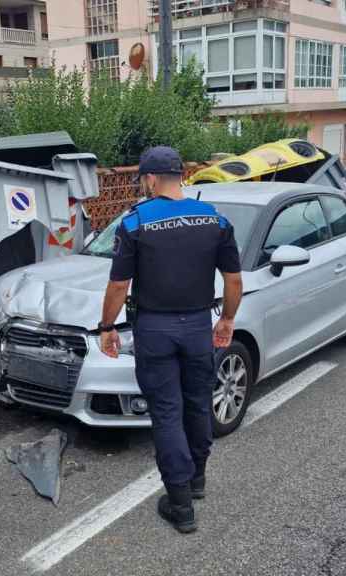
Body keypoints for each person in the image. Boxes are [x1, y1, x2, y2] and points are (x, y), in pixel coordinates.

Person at [100, 146, 243, 534]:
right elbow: (233, 280)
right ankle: (197, 479)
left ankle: (180, 504)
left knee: (166, 412)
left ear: (149, 179)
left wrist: (106, 327)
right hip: (198, 327)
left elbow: (119, 285)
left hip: (155, 330)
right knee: (197, 403)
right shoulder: (215, 219)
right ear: (180, 176)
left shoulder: (135, 223)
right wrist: (227, 319)